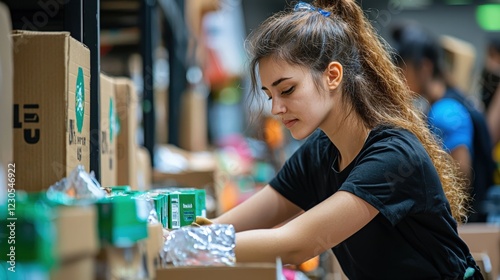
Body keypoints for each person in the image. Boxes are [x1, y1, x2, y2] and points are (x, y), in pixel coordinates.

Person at [206, 0, 483, 278]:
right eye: (269, 95)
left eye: (287, 90)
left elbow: (296, 244)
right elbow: (226, 227)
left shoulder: (394, 156)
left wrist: (188, 246)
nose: (275, 108)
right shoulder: (320, 152)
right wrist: (173, 238)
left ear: (333, 76)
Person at [390, 23, 495, 223]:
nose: (399, 77)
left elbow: (461, 182)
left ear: (425, 67)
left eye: (403, 69)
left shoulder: (444, 111)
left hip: (470, 228)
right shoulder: (453, 100)